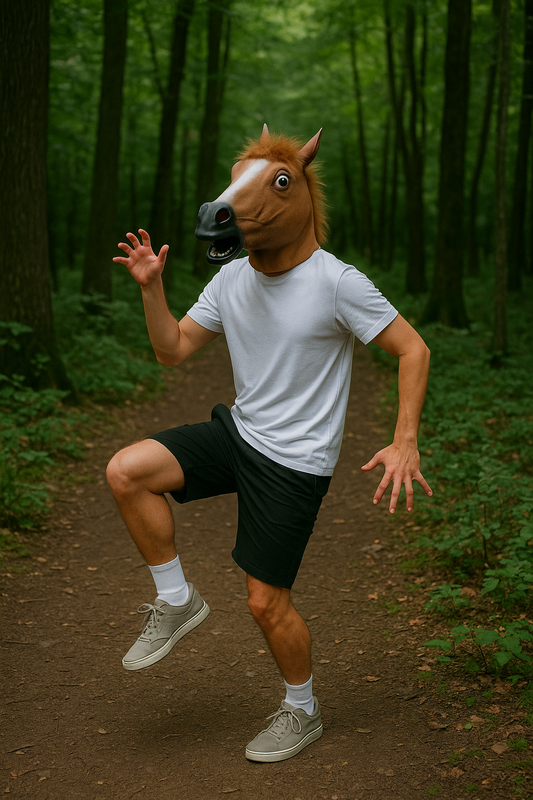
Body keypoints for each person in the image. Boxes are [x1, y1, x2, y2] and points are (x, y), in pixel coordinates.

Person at [107, 130, 432, 763]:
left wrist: (404, 441)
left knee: (265, 602)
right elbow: (173, 351)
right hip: (240, 433)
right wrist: (151, 286)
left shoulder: (337, 283)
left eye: (274, 183)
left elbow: (412, 348)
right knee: (128, 472)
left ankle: (301, 709)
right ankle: (176, 599)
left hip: (294, 463)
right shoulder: (232, 282)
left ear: (300, 195)